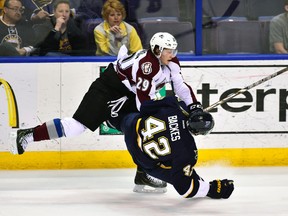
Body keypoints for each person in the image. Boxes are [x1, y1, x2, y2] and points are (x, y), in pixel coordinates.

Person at [11, 32, 199, 192]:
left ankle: (143, 174)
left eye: (173, 49)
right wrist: (172, 111)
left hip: (128, 93)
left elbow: (181, 87)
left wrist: (194, 107)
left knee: (143, 128)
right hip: (108, 87)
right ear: (157, 50)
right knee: (77, 127)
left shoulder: (171, 62)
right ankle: (28, 135)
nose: (172, 53)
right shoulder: (148, 66)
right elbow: (145, 105)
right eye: (168, 50)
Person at [107, 95, 234, 199]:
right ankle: (209, 189)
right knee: (177, 170)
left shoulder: (175, 106)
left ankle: (110, 118)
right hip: (141, 157)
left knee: (132, 118)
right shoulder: (187, 151)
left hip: (132, 128)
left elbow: (145, 107)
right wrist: (211, 189)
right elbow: (185, 190)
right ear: (198, 133)